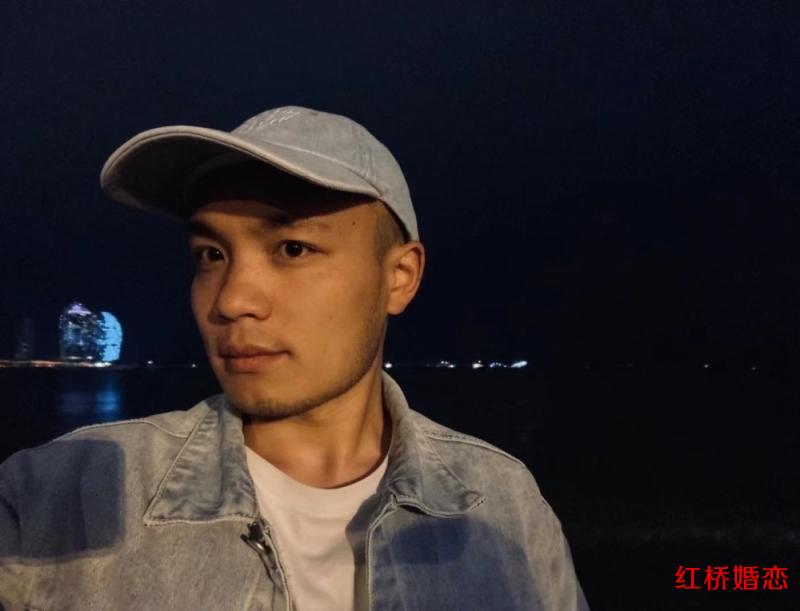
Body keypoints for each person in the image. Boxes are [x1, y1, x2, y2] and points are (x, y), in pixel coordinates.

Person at [0, 106, 589, 610]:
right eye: (210, 254)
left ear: (400, 277)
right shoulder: (60, 497)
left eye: (292, 248)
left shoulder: (503, 504)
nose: (232, 300)